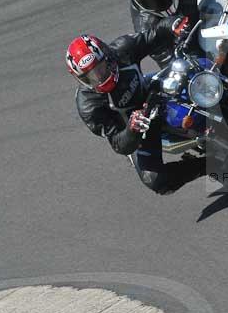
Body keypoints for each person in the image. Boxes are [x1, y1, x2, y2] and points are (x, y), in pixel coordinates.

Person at [65, 18, 188, 192]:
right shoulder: (89, 106)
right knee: (156, 181)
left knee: (190, 68)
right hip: (138, 129)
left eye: (100, 69)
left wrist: (173, 25)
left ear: (107, 57)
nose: (99, 78)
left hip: (153, 92)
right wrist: (132, 129)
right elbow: (118, 143)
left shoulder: (123, 49)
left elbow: (154, 35)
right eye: (90, 77)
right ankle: (206, 166)